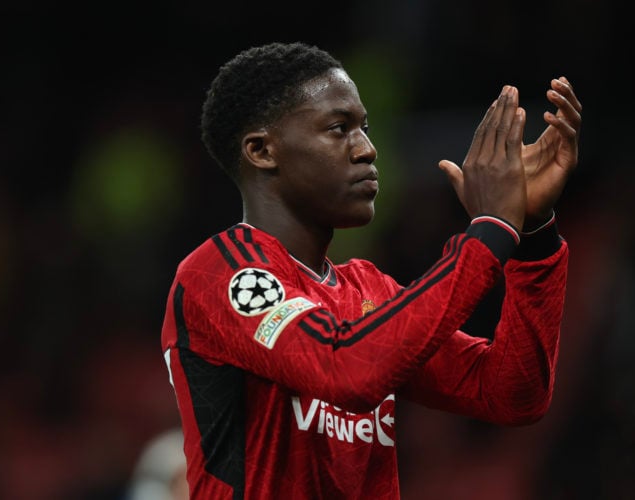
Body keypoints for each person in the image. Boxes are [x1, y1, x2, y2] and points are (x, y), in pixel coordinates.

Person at [160, 41, 581, 499]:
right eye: (339, 129)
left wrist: (534, 238)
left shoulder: (367, 289)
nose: (367, 150)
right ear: (262, 151)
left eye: (365, 128)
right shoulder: (221, 274)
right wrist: (492, 231)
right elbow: (346, 371)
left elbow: (510, 393)